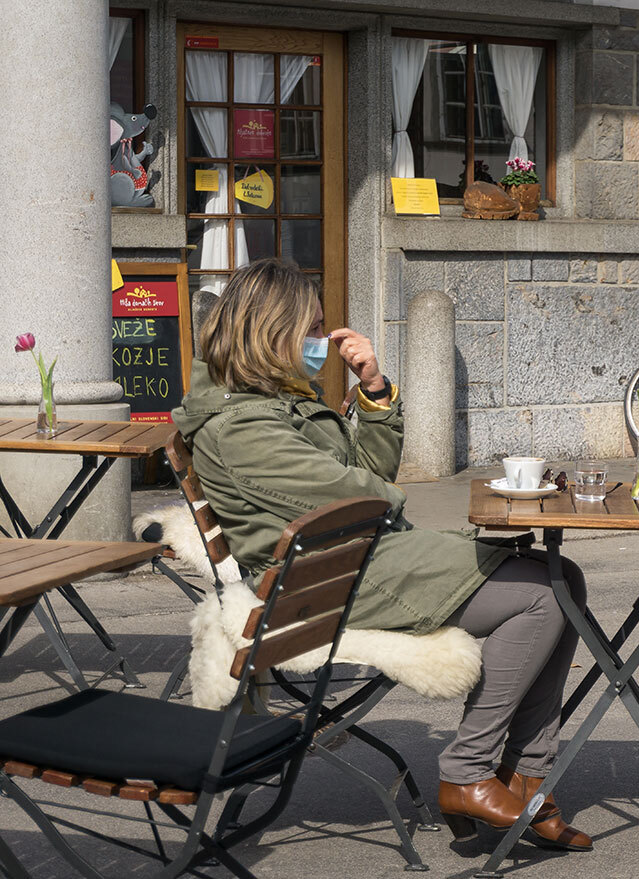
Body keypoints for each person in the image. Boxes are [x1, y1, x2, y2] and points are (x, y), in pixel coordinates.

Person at [172, 259, 591, 852]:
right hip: (320, 581)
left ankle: (525, 776)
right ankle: (470, 771)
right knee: (543, 595)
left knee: (563, 578)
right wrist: (388, 500)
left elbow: (367, 474)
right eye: (312, 329)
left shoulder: (277, 399)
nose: (322, 342)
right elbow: (357, 494)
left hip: (353, 558)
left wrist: (372, 390)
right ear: (272, 332)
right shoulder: (239, 424)